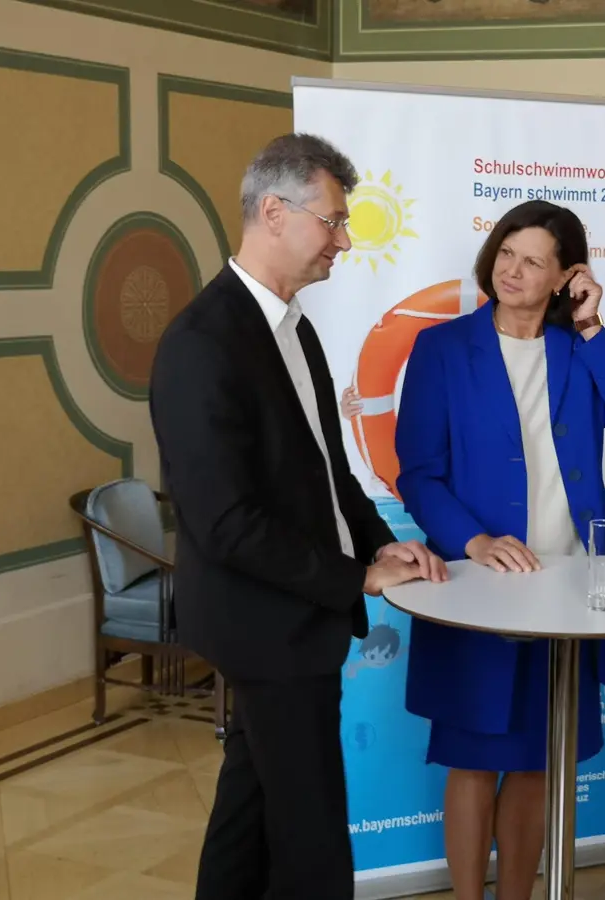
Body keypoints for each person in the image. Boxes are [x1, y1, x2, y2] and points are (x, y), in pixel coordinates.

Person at [149, 132, 448, 900]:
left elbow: (326, 471)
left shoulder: (296, 327)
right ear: (274, 212)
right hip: (263, 626)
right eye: (334, 221)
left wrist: (388, 545)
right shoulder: (200, 344)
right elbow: (226, 524)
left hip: (293, 615)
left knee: (248, 814)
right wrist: (358, 579)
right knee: (312, 844)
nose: (344, 241)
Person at [394, 199, 605, 900]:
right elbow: (417, 471)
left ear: (566, 276)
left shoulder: (580, 348)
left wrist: (594, 325)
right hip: (475, 586)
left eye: (533, 260)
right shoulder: (442, 349)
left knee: (542, 760)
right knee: (473, 759)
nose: (512, 270)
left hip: (567, 588)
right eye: (506, 253)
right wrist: (472, 541)